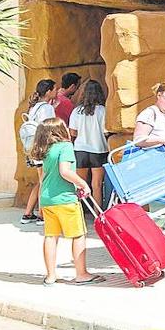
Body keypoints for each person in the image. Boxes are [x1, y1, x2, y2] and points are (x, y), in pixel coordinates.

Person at [29, 117, 102, 286]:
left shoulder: (46, 150)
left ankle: (50, 275)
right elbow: (65, 171)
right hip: (65, 199)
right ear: (61, 131)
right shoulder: (66, 147)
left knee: (50, 236)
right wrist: (82, 183)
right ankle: (81, 274)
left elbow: (46, 176)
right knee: (78, 235)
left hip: (47, 199)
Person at [20, 79, 58, 224]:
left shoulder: (34, 106)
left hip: (34, 147)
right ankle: (42, 215)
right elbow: (49, 128)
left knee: (41, 180)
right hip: (45, 147)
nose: (56, 92)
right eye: (54, 89)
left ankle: (28, 213)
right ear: (48, 91)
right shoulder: (47, 108)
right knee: (45, 181)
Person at [69, 79, 109, 208]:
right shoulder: (103, 110)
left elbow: (73, 132)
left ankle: (78, 212)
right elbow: (106, 131)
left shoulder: (77, 111)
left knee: (80, 184)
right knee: (96, 185)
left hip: (80, 149)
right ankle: (98, 214)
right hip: (99, 149)